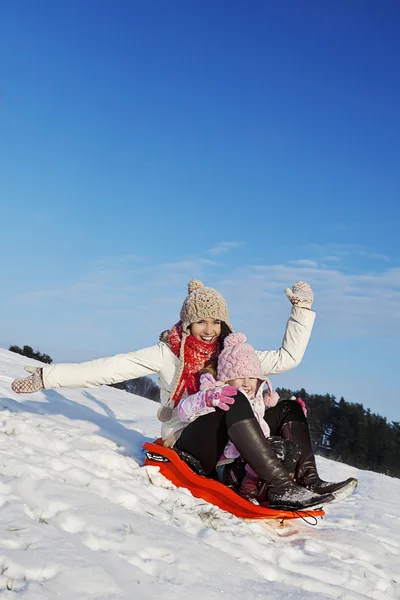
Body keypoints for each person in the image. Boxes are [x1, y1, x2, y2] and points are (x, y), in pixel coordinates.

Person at [11, 279, 317, 449]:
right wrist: (47, 375)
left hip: (230, 436)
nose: (208, 329)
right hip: (186, 433)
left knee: (285, 408)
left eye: (215, 321)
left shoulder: (233, 356)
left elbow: (286, 358)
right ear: (187, 324)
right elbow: (109, 368)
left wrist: (301, 310)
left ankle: (297, 477)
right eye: (200, 321)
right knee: (221, 411)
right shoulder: (167, 353)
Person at [175, 332, 338, 510]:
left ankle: (309, 481)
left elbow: (258, 421)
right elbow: (183, 412)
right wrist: (207, 399)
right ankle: (282, 487)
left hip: (243, 461)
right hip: (213, 456)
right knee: (234, 396)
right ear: (226, 379)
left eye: (251, 377)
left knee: (290, 407)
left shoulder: (256, 402)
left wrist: (294, 419)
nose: (246, 383)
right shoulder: (217, 393)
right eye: (240, 377)